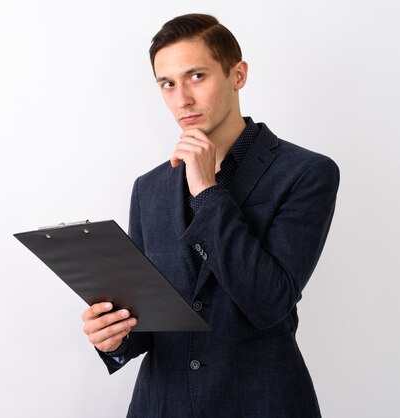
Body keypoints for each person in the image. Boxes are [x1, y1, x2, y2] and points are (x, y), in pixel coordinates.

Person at [81, 13, 339, 417]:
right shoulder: (148, 188)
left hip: (262, 403)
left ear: (238, 75)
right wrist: (113, 339)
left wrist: (206, 190)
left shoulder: (306, 173)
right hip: (162, 405)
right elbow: (149, 319)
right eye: (167, 84)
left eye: (196, 76)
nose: (181, 98)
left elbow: (269, 303)